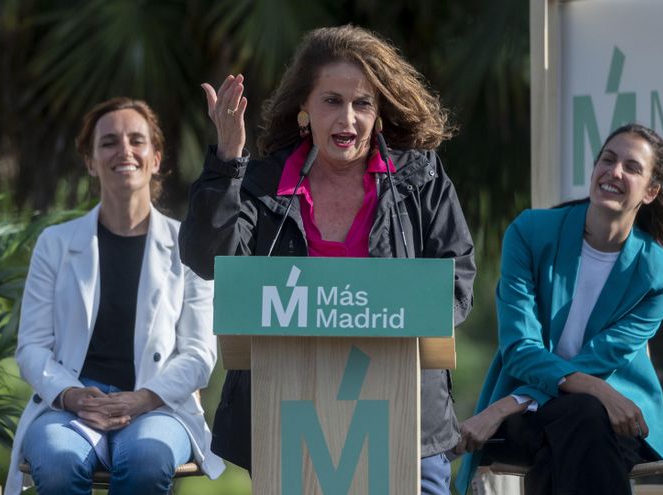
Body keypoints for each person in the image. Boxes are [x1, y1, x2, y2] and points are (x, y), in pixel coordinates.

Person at [179, 25, 475, 494]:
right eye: (332, 101)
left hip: (404, 417)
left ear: (379, 115)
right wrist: (228, 160)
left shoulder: (420, 180)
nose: (348, 119)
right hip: (289, 416)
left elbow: (456, 283)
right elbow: (207, 258)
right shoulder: (262, 183)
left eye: (362, 104)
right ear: (305, 110)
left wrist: (394, 311)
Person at [454, 123, 663, 495]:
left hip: (615, 421)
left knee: (580, 423)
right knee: (584, 416)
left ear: (651, 191)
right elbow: (520, 351)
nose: (614, 172)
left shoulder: (661, 276)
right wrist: (598, 392)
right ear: (594, 168)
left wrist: (504, 405)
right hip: (543, 418)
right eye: (608, 159)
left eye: (632, 168)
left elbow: (602, 358)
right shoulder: (529, 233)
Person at [5, 97, 225, 495]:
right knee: (57, 462)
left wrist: (142, 398)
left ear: (156, 158)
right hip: (72, 401)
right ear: (90, 161)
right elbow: (32, 348)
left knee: (147, 460)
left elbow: (199, 354)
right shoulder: (55, 244)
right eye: (108, 142)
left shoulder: (189, 245)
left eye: (136, 140)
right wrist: (71, 395)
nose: (124, 150)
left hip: (158, 403)